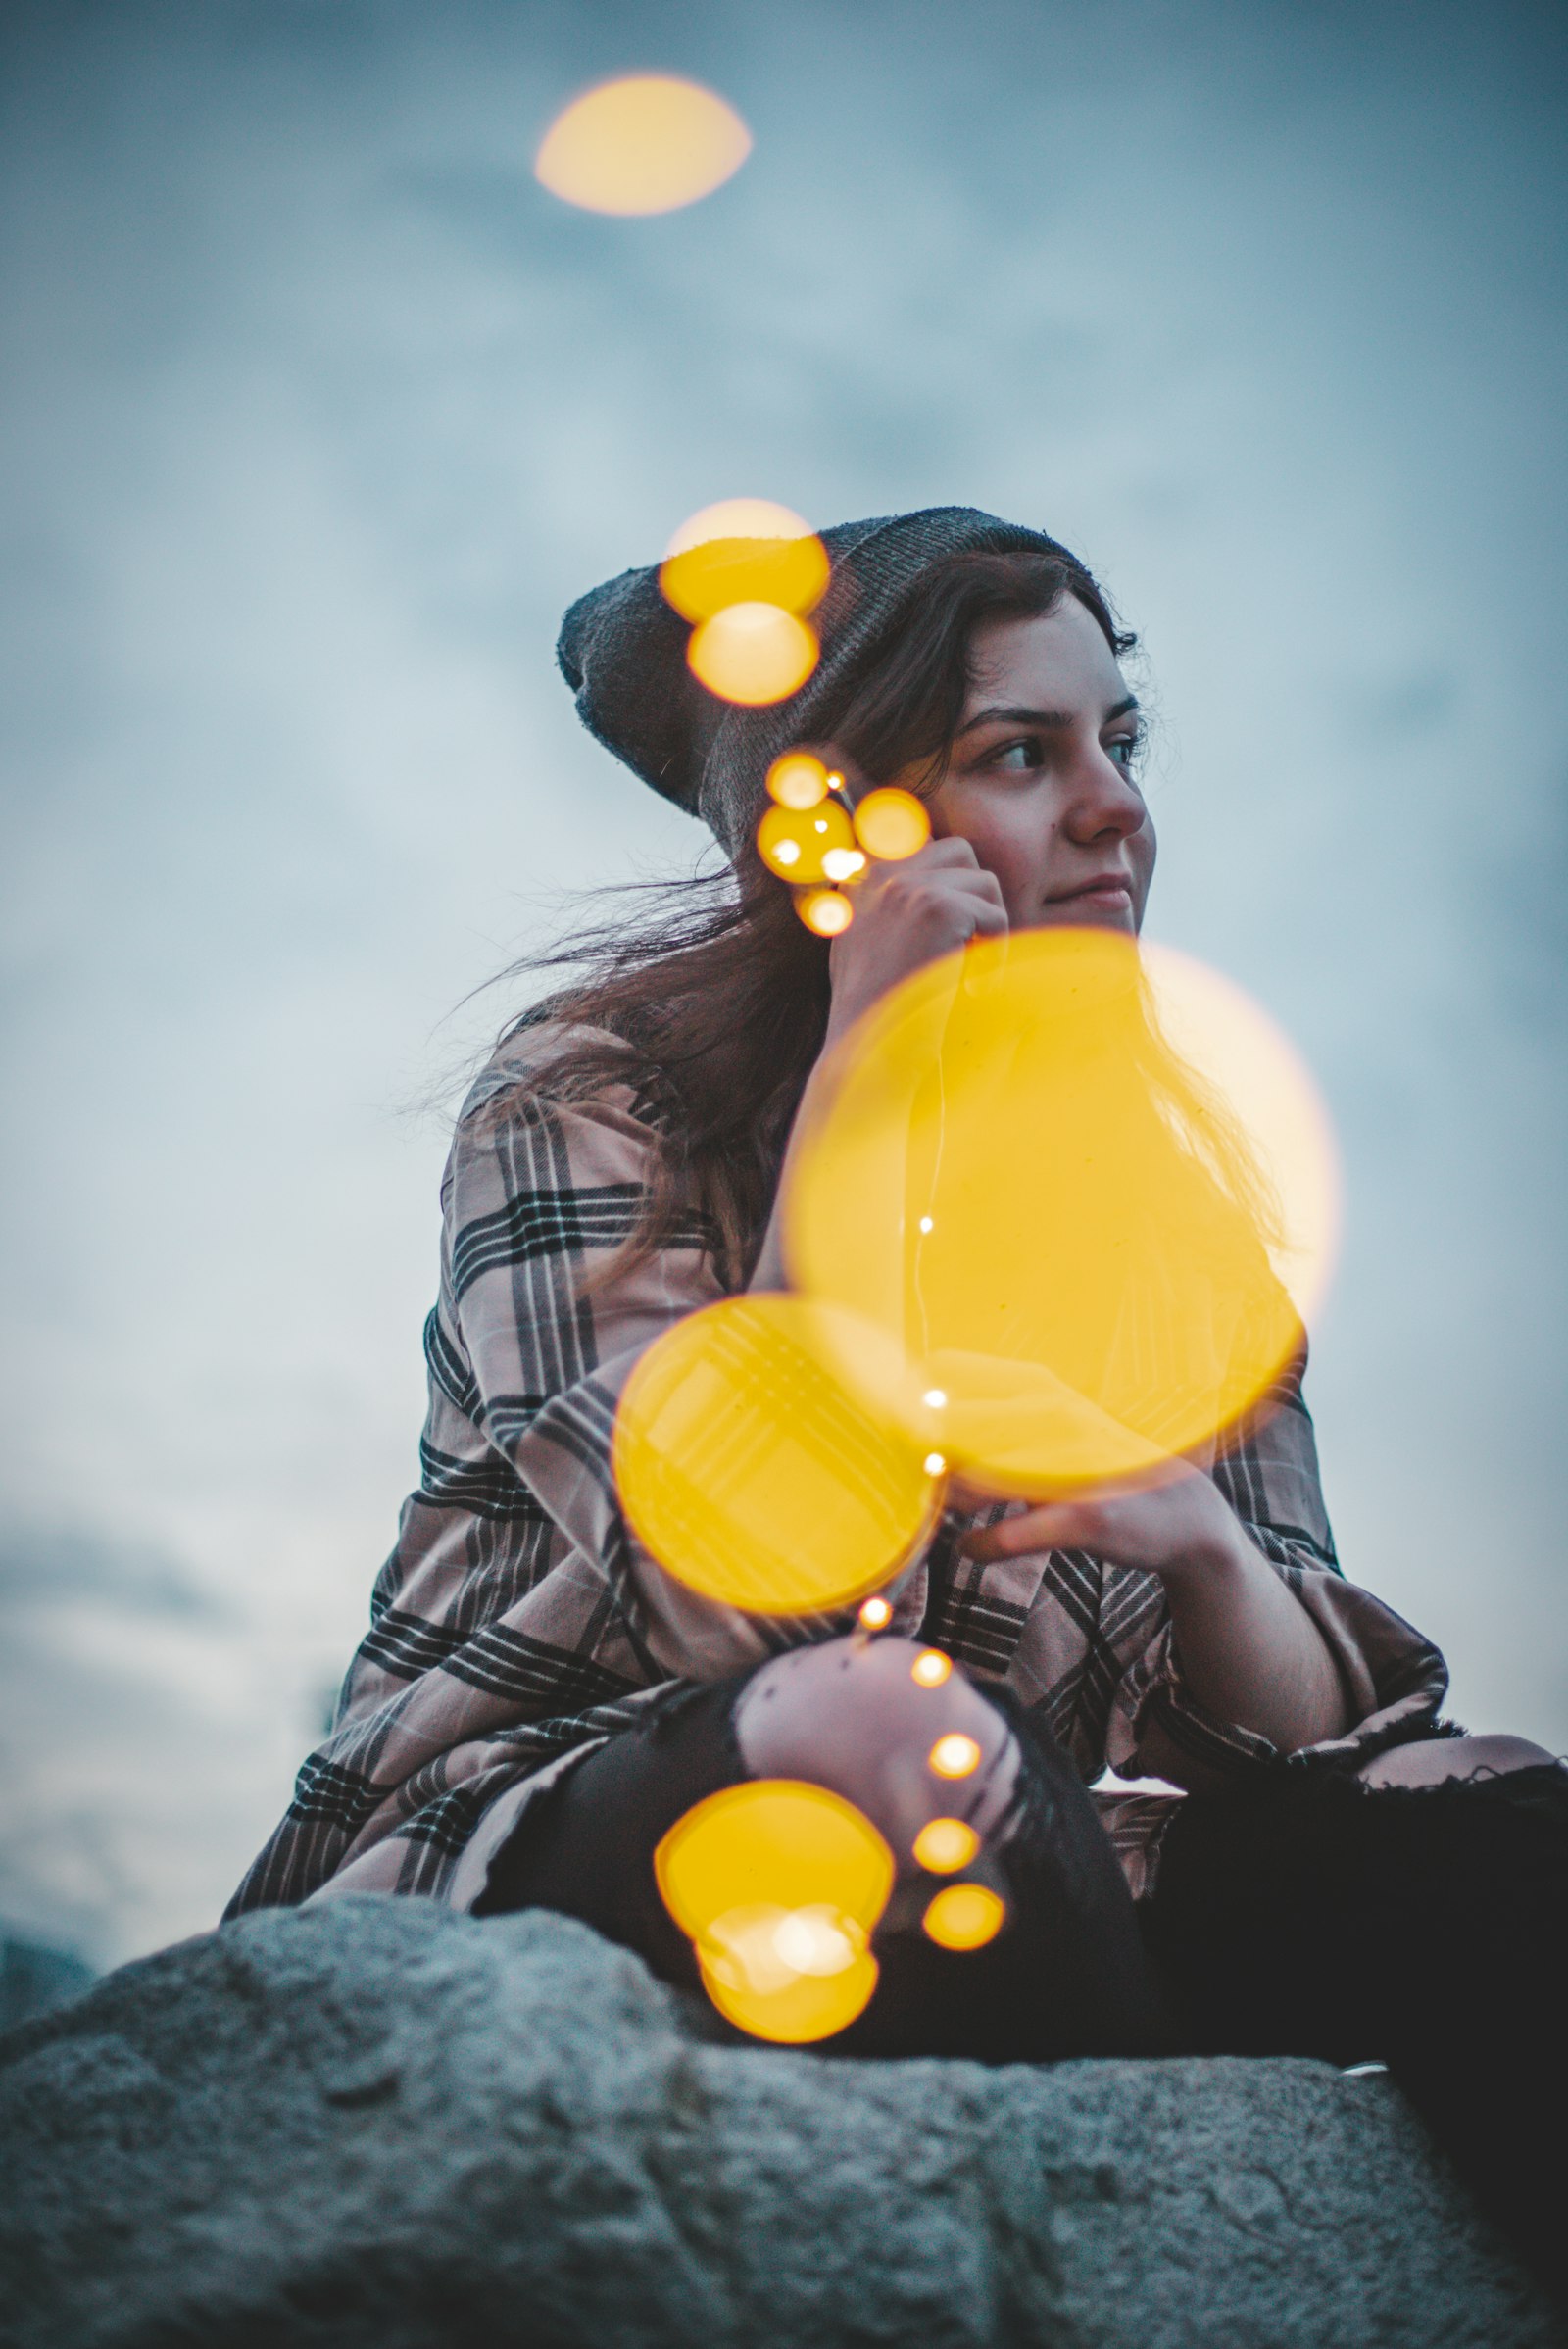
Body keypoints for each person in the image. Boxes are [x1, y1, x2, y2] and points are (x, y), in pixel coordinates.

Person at [229, 509, 1565, 2292]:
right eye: (1023, 753)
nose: (1117, 806)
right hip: (568, 1813)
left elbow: (1313, 1740)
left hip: (1058, 1867)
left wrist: (1209, 1554)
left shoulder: (1176, 1205)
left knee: (1481, 1803)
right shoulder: (593, 1094)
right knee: (888, 1734)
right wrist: (868, 1057)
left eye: (1120, 738)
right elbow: (729, 1598)